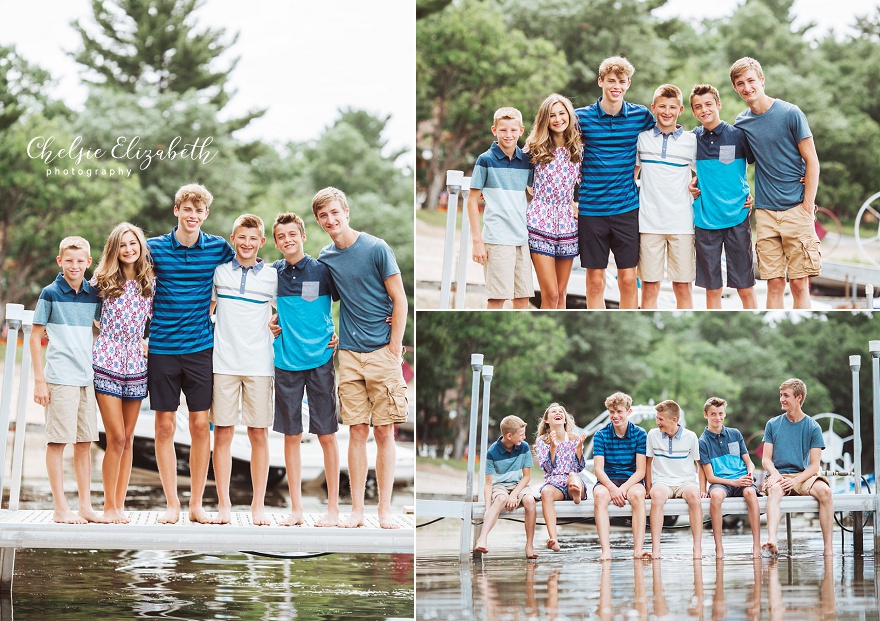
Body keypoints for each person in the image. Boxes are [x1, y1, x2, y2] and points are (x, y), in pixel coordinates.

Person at [313, 187, 408, 529]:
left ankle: (383, 511)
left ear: (347, 212)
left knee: (384, 432)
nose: (331, 220)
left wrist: (394, 347)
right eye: (323, 216)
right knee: (356, 431)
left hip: (383, 352)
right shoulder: (325, 259)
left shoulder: (377, 248)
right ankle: (355, 511)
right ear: (319, 221)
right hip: (349, 355)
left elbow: (400, 300)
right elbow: (320, 303)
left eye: (335, 213)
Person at [147, 183, 234, 524]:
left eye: (199, 211)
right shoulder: (153, 248)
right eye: (187, 209)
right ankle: (172, 504)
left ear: (206, 215)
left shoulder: (218, 248)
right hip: (162, 348)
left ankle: (197, 505)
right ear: (176, 211)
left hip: (201, 348)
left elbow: (243, 274)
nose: (193, 216)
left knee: (200, 425)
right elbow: (126, 277)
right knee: (164, 426)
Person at [730, 56, 821, 309]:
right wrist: (698, 180)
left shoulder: (791, 113)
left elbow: (812, 160)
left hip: (796, 209)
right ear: (735, 88)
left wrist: (807, 206)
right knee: (774, 284)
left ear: (762, 79)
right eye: (740, 83)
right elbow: (736, 164)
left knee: (800, 284)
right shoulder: (742, 123)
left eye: (750, 80)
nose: (747, 87)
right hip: (766, 214)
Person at [271, 211, 341, 528]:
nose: (288, 240)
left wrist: (342, 334)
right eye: (281, 236)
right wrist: (269, 323)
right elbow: (253, 305)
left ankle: (333, 510)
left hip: (321, 361)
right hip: (285, 362)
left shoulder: (323, 270)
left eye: (292, 234)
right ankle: (296, 509)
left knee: (326, 435)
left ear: (303, 236)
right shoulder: (271, 273)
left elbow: (351, 301)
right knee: (291, 436)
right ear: (276, 242)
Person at [30, 236, 107, 524]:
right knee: (57, 441)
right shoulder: (50, 293)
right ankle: (61, 508)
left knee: (85, 442)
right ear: (60, 261)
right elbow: (35, 336)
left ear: (88, 263)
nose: (74, 266)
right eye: (69, 260)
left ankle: (85, 506)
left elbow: (104, 325)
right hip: (60, 378)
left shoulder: (93, 294)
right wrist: (40, 381)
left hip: (86, 378)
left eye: (80, 261)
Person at [209, 214, 277, 526]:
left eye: (253, 238)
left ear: (261, 242)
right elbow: (206, 309)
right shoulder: (219, 272)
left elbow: (289, 312)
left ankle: (258, 506)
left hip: (260, 366)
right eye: (241, 237)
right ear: (233, 239)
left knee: (258, 434)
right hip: (223, 364)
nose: (247, 243)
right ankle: (224, 504)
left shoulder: (273, 277)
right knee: (222, 434)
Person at [575, 56, 655, 309]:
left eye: (621, 81)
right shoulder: (580, 118)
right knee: (595, 281)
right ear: (601, 82)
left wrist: (636, 173)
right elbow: (560, 153)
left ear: (628, 84)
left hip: (626, 208)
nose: (616, 86)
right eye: (611, 80)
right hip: (591, 209)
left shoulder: (641, 116)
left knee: (629, 280)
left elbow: (658, 143)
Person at [91, 223, 154, 523]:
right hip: (107, 358)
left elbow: (161, 318)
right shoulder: (102, 281)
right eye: (123, 245)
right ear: (114, 249)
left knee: (128, 438)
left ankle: (119, 505)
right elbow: (82, 311)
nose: (129, 250)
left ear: (141, 246)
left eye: (133, 244)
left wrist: (148, 342)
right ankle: (107, 506)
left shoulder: (149, 282)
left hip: (136, 362)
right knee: (115, 437)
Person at [689, 83, 758, 309]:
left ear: (718, 104)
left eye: (708, 104)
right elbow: (676, 169)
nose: (704, 110)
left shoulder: (738, 135)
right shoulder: (691, 140)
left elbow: (764, 165)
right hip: (705, 220)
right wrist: (689, 184)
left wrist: (755, 196)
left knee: (745, 287)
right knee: (712, 289)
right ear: (693, 111)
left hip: (737, 218)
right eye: (698, 106)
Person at [634, 83, 697, 309]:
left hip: (682, 224)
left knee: (683, 288)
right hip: (649, 223)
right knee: (649, 288)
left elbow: (707, 177)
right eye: (662, 106)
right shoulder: (642, 139)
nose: (667, 112)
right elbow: (631, 175)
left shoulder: (691, 142)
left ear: (680, 110)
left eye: (672, 107)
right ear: (653, 108)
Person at [467, 107, 533, 310]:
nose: (508, 135)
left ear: (521, 131)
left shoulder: (527, 161)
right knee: (497, 298)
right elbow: (471, 201)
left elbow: (532, 192)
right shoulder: (485, 160)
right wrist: (478, 241)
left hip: (522, 238)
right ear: (494, 130)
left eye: (513, 130)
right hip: (497, 239)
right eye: (503, 130)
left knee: (522, 299)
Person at [760, 378, 833, 556]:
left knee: (826, 492)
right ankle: (772, 540)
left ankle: (828, 548)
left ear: (798, 398)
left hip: (803, 476)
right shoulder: (772, 424)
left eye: (786, 396)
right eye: (781, 395)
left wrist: (797, 481)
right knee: (775, 491)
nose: (781, 399)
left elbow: (815, 465)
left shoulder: (813, 427)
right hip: (779, 475)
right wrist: (775, 474)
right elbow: (766, 460)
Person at [523, 94, 582, 309]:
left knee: (562, 293)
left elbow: (590, 182)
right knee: (550, 294)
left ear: (569, 115)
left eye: (561, 114)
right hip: (540, 220)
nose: (558, 119)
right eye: (552, 115)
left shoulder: (579, 149)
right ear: (544, 119)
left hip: (568, 222)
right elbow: (515, 176)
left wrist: (580, 205)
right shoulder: (533, 148)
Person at [698, 397, 761, 558]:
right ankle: (719, 548)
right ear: (706, 415)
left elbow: (749, 463)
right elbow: (711, 477)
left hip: (742, 479)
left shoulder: (735, 434)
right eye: (713, 414)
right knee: (716, 496)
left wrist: (750, 474)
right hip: (722, 482)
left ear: (725, 414)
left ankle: (756, 546)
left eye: (720, 413)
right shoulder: (702, 442)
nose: (717, 417)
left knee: (750, 493)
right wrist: (733, 482)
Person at [592, 391, 648, 560]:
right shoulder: (600, 435)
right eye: (612, 412)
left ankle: (638, 550)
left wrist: (623, 488)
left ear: (628, 412)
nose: (615, 416)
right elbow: (598, 470)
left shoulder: (640, 434)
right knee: (600, 496)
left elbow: (641, 471)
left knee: (638, 495)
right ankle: (606, 551)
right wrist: (612, 489)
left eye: (619, 411)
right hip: (607, 479)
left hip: (631, 480)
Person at [646, 399, 705, 559]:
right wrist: (648, 487)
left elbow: (699, 464)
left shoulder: (691, 436)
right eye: (657, 418)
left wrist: (702, 488)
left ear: (674, 420)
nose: (657, 422)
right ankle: (656, 549)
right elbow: (648, 463)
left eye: (661, 419)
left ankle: (697, 548)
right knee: (656, 496)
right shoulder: (652, 435)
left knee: (694, 496)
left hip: (685, 482)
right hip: (662, 482)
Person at [473, 415, 538, 559]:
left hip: (519, 485)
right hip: (500, 486)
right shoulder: (492, 452)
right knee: (501, 499)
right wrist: (488, 508)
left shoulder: (524, 447)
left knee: (530, 501)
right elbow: (488, 484)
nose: (524, 437)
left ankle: (529, 545)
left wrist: (514, 494)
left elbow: (527, 476)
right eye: (521, 435)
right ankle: (482, 539)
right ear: (509, 436)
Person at [534, 403, 586, 552]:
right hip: (555, 481)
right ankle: (554, 539)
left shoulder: (575, 438)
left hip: (573, 478)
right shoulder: (542, 441)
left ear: (564, 419)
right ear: (547, 421)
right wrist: (553, 448)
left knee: (572, 475)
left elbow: (579, 467)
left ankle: (575, 493)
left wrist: (578, 450)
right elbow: (547, 469)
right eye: (553, 412)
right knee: (546, 492)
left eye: (560, 411)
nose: (558, 413)